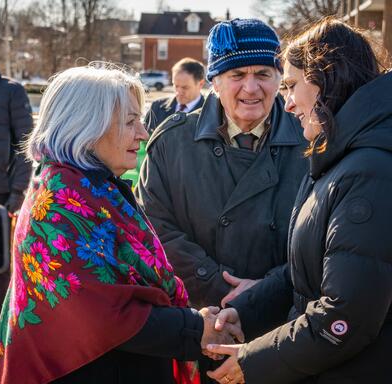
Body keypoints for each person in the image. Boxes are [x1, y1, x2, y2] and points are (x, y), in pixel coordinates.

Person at [0, 64, 243, 384]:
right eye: (130, 121)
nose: (143, 132)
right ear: (87, 126)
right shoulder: (59, 204)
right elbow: (102, 314)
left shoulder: (91, 186)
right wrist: (196, 328)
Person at [205, 17, 392, 384]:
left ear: (327, 80)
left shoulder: (370, 170)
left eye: (290, 85)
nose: (287, 104)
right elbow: (308, 271)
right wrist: (247, 312)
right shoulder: (338, 157)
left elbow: (344, 317)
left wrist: (254, 362)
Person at [136, 18, 308, 310]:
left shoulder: (312, 139)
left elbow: (323, 238)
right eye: (237, 74)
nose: (251, 88)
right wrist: (218, 285)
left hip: (285, 320)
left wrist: (266, 290)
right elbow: (153, 228)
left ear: (280, 79)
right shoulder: (172, 142)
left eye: (263, 74)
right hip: (201, 317)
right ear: (214, 82)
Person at [0, 46, 33, 335]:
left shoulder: (11, 92)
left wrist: (16, 194)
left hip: (0, 202)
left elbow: (26, 147)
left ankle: (1, 339)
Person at [145, 57, 206, 134]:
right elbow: (144, 140)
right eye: (176, 86)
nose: (179, 92)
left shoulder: (210, 113)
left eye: (185, 87)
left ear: (201, 84)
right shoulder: (156, 107)